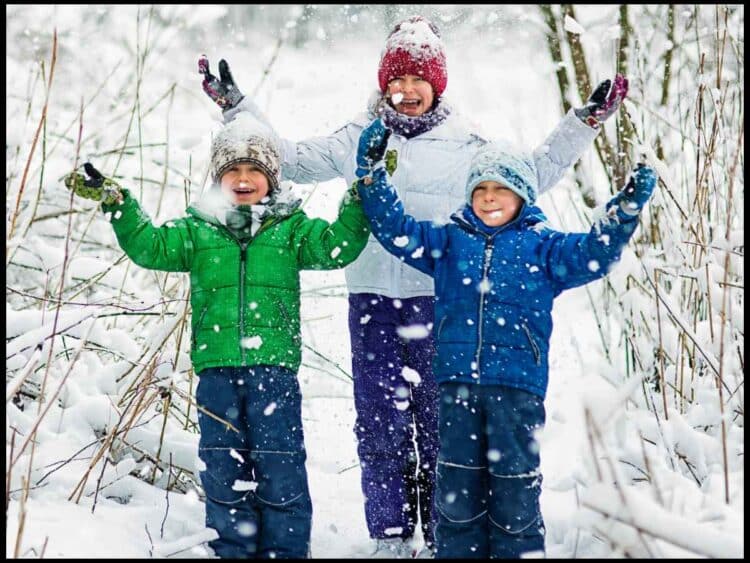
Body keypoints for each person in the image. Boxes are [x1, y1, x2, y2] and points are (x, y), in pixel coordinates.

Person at [199, 15, 628, 557]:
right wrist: (237, 106)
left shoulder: (468, 143)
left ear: (436, 85)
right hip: (372, 300)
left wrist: (584, 122)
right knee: (379, 424)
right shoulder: (359, 136)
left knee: (441, 426)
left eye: (416, 80)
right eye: (395, 81)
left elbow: (532, 172)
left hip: (439, 305)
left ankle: (446, 534)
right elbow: (288, 158)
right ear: (383, 84)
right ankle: (390, 535)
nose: (405, 91)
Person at [63, 114, 371, 559]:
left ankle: (286, 551)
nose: (243, 180)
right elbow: (149, 246)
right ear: (218, 178)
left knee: (280, 464)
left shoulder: (293, 229)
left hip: (274, 368)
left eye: (254, 171)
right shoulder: (198, 230)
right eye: (233, 171)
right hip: (217, 367)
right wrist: (117, 202)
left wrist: (361, 197)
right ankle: (232, 549)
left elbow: (338, 246)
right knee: (223, 466)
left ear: (272, 178)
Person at [353, 117, 657, 558]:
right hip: (457, 387)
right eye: (481, 190)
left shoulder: (544, 248)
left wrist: (623, 213)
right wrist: (372, 174)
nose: (489, 198)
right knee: (456, 493)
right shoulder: (450, 242)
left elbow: (595, 252)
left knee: (514, 492)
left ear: (522, 196)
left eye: (501, 189)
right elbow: (396, 230)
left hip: (517, 390)